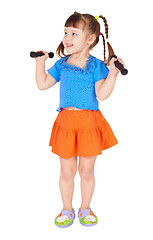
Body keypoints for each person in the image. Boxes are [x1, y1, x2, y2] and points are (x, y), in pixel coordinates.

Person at [35, 12, 125, 228]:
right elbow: (43, 84)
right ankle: (67, 209)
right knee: (66, 172)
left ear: (90, 38)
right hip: (66, 124)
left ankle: (85, 207)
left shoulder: (96, 66)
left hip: (88, 125)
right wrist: (40, 63)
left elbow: (102, 94)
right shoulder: (62, 64)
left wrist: (112, 73)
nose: (67, 38)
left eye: (74, 33)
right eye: (66, 32)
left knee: (86, 171)